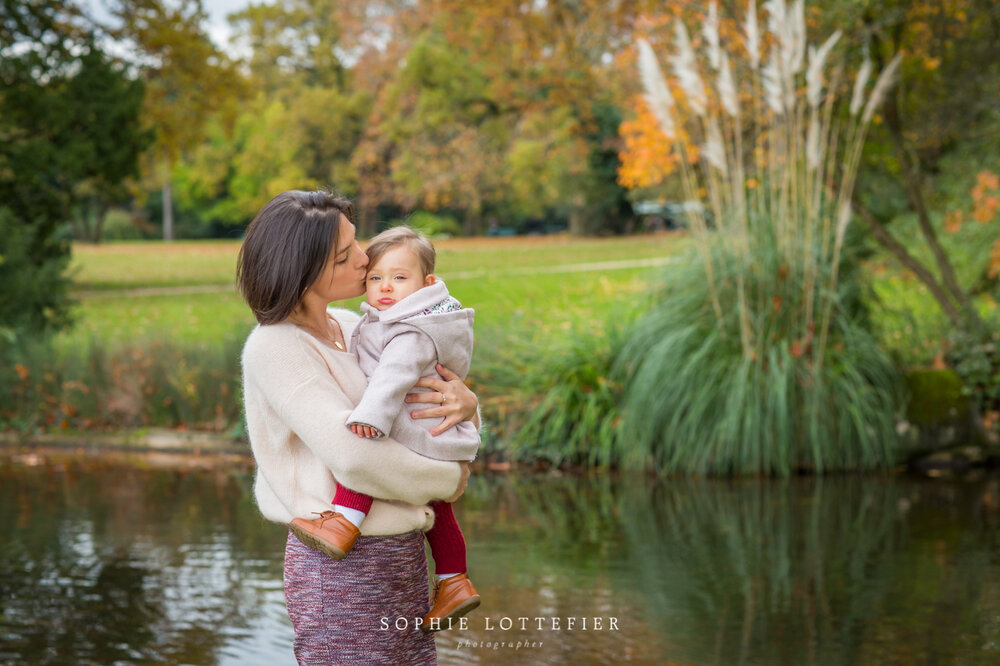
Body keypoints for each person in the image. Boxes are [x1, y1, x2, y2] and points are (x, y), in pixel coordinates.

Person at [237, 190, 479, 664]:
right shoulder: (276, 348)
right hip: (343, 566)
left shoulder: (357, 326)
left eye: (357, 243)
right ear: (304, 272)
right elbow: (355, 457)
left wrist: (467, 403)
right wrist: (451, 479)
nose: (367, 259)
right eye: (347, 255)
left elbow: (421, 403)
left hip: (405, 554)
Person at [289, 226, 480, 633]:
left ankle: (343, 523)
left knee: (368, 453)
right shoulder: (410, 319)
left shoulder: (409, 330)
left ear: (427, 283)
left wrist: (371, 418)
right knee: (441, 512)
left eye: (398, 277)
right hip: (435, 436)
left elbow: (392, 378)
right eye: (376, 278)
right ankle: (454, 581)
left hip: (413, 427)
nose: (385, 287)